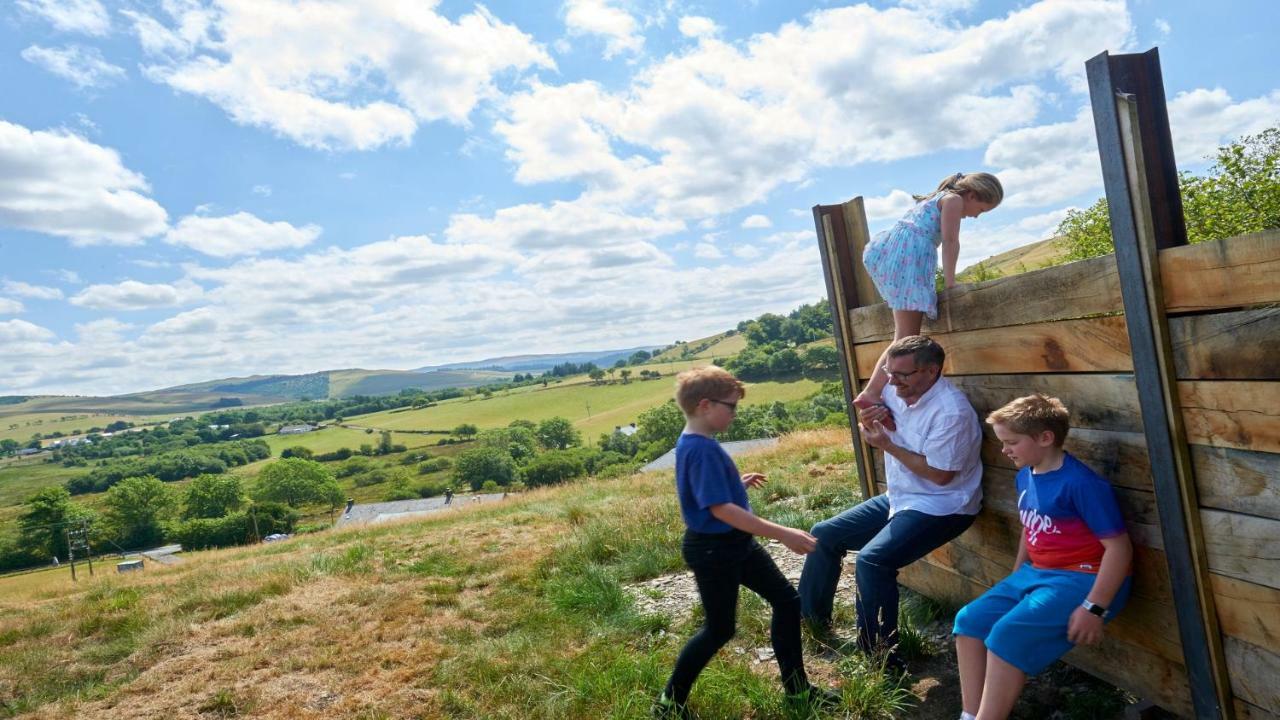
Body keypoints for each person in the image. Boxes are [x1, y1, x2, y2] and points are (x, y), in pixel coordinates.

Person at [654, 366, 841, 719]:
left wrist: (736, 483)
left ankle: (798, 693)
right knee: (719, 629)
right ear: (705, 405)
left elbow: (708, 493)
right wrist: (784, 533)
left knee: (787, 602)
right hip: (715, 551)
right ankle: (669, 703)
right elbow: (720, 509)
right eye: (731, 406)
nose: (735, 414)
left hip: (732, 545)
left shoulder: (696, 443)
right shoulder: (702, 450)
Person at [800, 335, 982, 666]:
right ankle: (811, 621)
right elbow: (867, 413)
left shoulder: (951, 413)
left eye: (902, 375)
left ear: (931, 371)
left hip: (943, 504)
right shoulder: (896, 390)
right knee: (823, 533)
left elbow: (941, 476)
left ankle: (880, 655)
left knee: (872, 561)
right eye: (889, 372)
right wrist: (869, 421)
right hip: (902, 496)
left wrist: (886, 444)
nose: (891, 382)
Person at [953, 394, 1132, 720]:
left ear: (1045, 438)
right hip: (1038, 573)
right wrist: (1017, 572)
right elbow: (1030, 526)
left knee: (1006, 634)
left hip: (1085, 578)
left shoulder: (1082, 484)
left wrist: (1094, 607)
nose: (1005, 450)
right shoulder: (1026, 473)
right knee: (969, 621)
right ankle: (969, 714)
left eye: (1012, 442)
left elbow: (1119, 549)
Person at [853, 173, 1003, 424]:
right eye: (981, 209)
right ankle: (873, 392)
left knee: (902, 335)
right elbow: (950, 241)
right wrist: (951, 282)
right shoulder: (953, 200)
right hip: (909, 258)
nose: (976, 216)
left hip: (891, 252)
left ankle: (874, 391)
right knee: (905, 337)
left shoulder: (937, 198)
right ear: (973, 195)